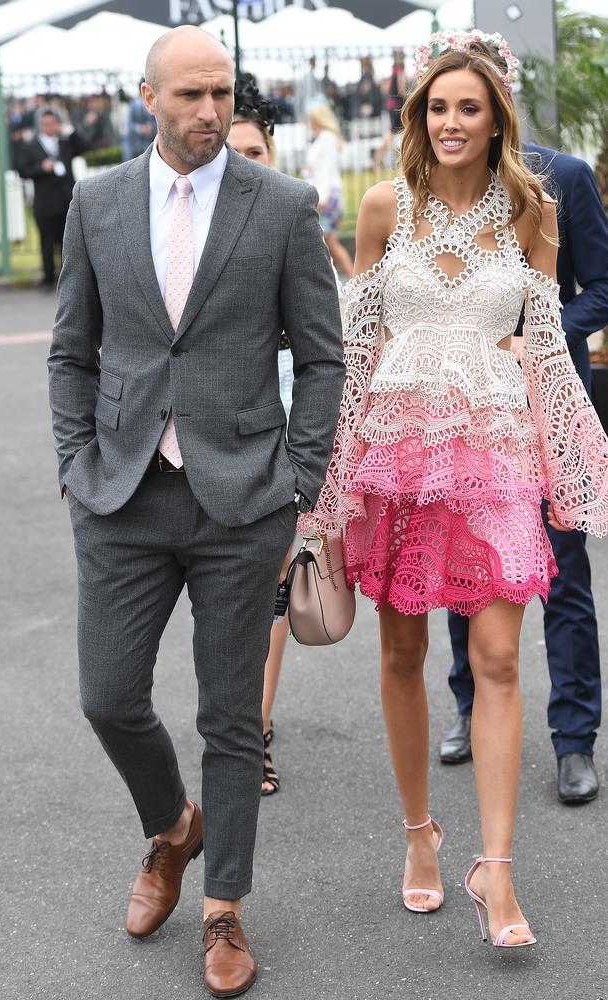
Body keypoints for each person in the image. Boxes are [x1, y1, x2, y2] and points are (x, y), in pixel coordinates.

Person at [47, 26, 344, 998]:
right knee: (107, 695)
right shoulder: (96, 201)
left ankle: (223, 909)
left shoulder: (284, 207)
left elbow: (322, 355)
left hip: (240, 501)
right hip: (122, 494)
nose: (209, 111)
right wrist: (73, 462)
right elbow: (71, 350)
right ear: (148, 98)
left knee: (230, 719)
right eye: (189, 96)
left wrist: (298, 479)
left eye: (221, 92)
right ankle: (172, 827)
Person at [299, 30, 608, 949]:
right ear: (418, 116)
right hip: (394, 462)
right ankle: (420, 837)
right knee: (400, 657)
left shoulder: (533, 214)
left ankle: (498, 872)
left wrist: (572, 466)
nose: (449, 122)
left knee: (503, 658)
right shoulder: (383, 208)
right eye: (437, 107)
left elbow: (551, 350)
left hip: (498, 458)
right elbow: (356, 359)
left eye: (468, 107)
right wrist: (322, 490)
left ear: (497, 117)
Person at [440, 144, 608, 805]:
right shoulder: (427, 188)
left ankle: (574, 741)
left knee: (562, 577)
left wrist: (539, 335)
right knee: (465, 569)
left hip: (546, 409)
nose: (457, 119)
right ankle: (468, 705)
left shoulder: (560, 177)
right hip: (465, 409)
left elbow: (601, 286)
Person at [227, 72, 292, 797]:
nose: (245, 161)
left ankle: (257, 730)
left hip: (282, 426)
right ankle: (239, 719)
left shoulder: (289, 217)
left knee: (273, 583)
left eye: (256, 149)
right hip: (215, 430)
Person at [16, 106, 89, 288]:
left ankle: (71, 279)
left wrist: (70, 131)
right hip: (46, 203)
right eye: (45, 124)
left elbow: (86, 147)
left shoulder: (65, 142)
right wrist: (42, 167)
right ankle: (48, 277)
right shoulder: (31, 146)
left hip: (66, 200)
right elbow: (22, 170)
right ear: (40, 125)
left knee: (70, 243)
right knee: (47, 242)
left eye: (52, 123)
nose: (49, 127)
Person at [303, 103, 354, 279]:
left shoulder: (326, 138)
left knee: (329, 241)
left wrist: (321, 198)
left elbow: (325, 169)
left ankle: (354, 279)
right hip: (329, 194)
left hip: (328, 196)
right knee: (326, 241)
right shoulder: (324, 139)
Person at [123, 78, 158, 160]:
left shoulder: (154, 102)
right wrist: (140, 129)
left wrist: (151, 127)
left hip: (150, 142)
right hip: (136, 144)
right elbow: (129, 124)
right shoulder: (133, 104)